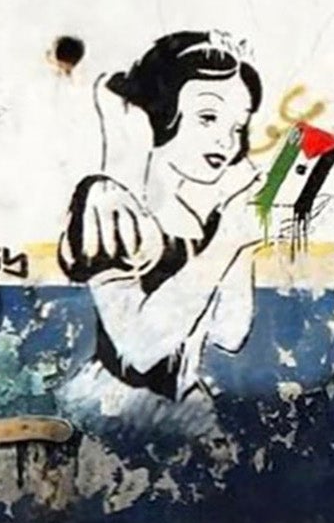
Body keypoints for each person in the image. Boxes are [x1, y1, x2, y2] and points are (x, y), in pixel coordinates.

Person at [57, 30, 265, 432]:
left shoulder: (207, 219)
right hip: (112, 408)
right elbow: (138, 349)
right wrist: (229, 240)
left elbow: (230, 334)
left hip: (187, 408)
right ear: (162, 113)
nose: (226, 140)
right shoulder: (109, 204)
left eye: (238, 126)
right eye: (208, 117)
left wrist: (244, 243)